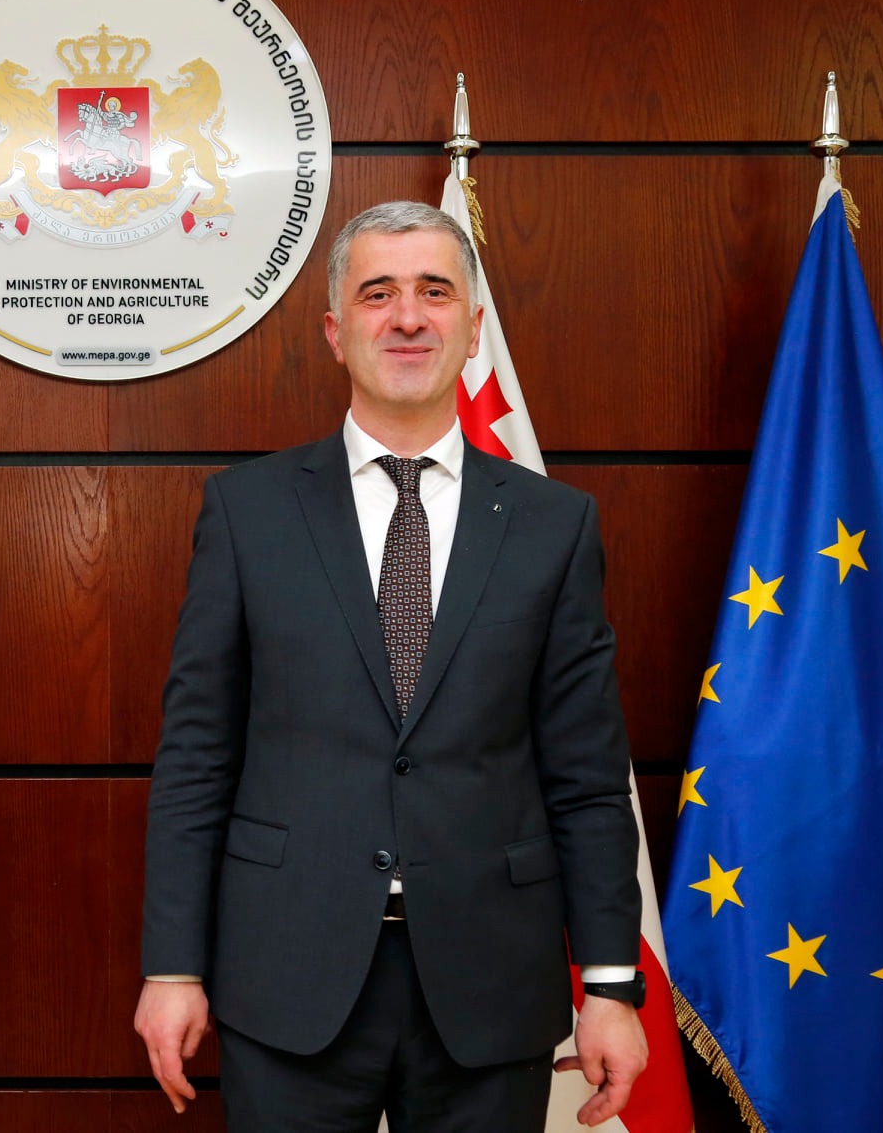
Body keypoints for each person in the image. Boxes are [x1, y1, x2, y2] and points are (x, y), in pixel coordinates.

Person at [134, 202, 647, 1131]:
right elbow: (195, 759)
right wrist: (172, 966)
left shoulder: (554, 524)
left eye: (433, 292)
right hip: (286, 972)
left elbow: (586, 777)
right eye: (377, 294)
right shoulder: (247, 512)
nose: (407, 316)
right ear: (336, 332)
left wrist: (610, 983)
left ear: (472, 327)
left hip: (491, 979)